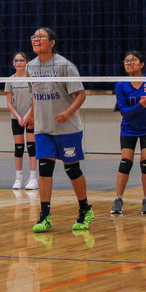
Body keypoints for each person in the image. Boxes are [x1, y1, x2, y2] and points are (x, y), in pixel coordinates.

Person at [25, 27, 93, 233]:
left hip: (68, 128)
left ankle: (85, 210)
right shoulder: (30, 67)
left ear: (52, 42)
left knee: (72, 169)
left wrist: (68, 112)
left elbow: (81, 94)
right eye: (34, 37)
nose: (36, 40)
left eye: (41, 37)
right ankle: (45, 215)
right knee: (44, 169)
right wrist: (31, 114)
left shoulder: (65, 66)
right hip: (43, 128)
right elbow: (34, 95)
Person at [111, 51, 146, 216]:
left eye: (133, 60)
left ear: (142, 64)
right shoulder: (121, 85)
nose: (129, 63)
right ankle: (118, 199)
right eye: (126, 61)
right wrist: (140, 105)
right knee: (125, 162)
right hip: (128, 129)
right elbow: (125, 112)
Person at [5, 52, 38, 190]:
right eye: (16, 61)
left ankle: (33, 178)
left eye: (21, 60)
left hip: (31, 116)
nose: (18, 63)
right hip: (17, 118)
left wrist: (28, 115)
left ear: (27, 62)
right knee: (19, 147)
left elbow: (35, 99)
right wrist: (18, 117)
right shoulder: (10, 80)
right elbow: (9, 102)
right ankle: (18, 178)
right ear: (13, 64)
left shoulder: (32, 79)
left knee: (31, 147)